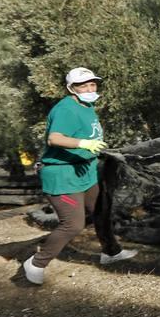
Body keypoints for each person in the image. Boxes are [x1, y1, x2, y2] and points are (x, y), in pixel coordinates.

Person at [22, 67, 136, 284]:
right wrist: (82, 143)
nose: (89, 88)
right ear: (71, 88)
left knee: (101, 210)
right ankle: (36, 263)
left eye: (92, 84)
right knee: (73, 224)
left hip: (86, 172)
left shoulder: (87, 106)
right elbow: (54, 139)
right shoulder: (66, 109)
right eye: (83, 85)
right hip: (63, 176)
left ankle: (111, 253)